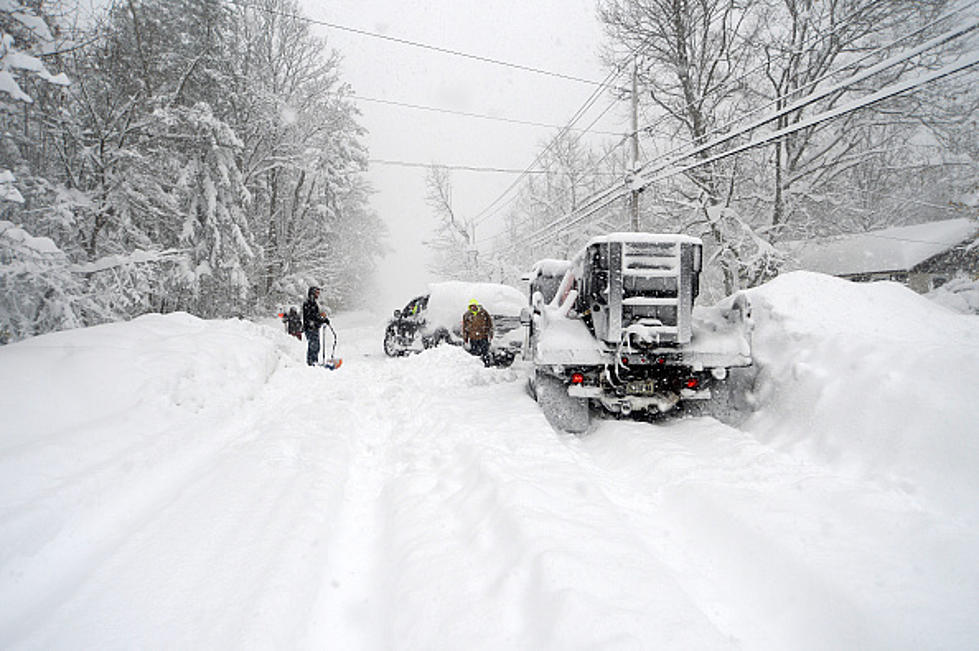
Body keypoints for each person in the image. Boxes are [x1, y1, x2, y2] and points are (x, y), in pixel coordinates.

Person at [302, 286, 330, 366]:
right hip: (310, 328)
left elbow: (316, 315)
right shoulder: (308, 303)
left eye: (318, 293)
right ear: (312, 293)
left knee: (316, 346)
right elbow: (311, 316)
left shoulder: (314, 303)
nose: (318, 295)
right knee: (313, 345)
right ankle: (311, 362)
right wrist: (321, 320)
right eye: (316, 293)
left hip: (314, 327)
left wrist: (323, 318)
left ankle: (314, 361)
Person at [462, 299, 493, 366]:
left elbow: (490, 324)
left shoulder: (483, 313)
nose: (473, 308)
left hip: (483, 337)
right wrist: (465, 338)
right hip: (473, 337)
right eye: (471, 306)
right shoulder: (467, 315)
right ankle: (477, 366)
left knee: (485, 352)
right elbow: (465, 327)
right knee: (475, 353)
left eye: (474, 306)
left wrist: (490, 334)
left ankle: (486, 364)